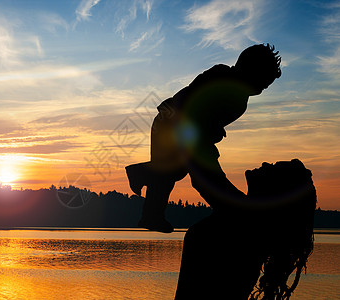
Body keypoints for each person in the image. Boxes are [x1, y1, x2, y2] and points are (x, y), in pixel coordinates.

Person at [126, 44, 282, 233]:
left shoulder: (240, 102)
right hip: (171, 121)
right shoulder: (221, 74)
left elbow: (212, 122)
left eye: (266, 85)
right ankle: (146, 193)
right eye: (262, 81)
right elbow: (194, 101)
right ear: (248, 69)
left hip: (187, 131)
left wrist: (212, 131)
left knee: (170, 172)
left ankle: (150, 212)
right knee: (176, 171)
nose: (263, 87)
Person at [174, 159, 317, 299]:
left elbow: (204, 175)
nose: (265, 164)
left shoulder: (246, 217)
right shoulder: (249, 218)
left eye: (273, 169)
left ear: (276, 190)